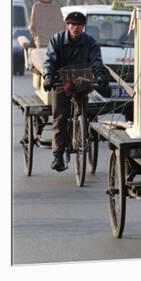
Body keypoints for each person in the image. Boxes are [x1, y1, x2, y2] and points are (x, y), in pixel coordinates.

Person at [43, 11, 109, 172]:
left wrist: (100, 75)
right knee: (60, 116)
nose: (76, 28)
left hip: (82, 80)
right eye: (72, 24)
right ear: (67, 25)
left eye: (79, 25)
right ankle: (58, 155)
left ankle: (83, 128)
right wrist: (48, 77)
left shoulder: (90, 42)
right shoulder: (57, 39)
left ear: (83, 27)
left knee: (86, 111)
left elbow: (97, 61)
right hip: (61, 81)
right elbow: (49, 60)